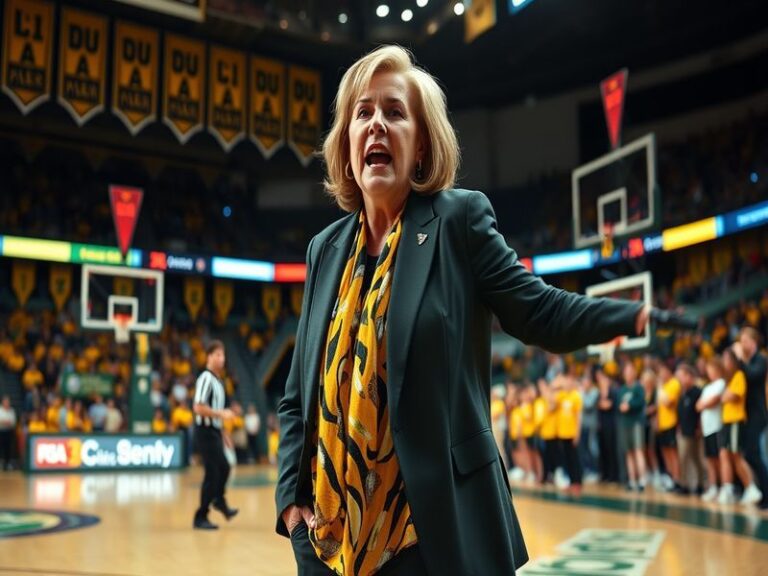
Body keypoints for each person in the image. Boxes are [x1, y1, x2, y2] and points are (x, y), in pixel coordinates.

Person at [276, 45, 649, 576]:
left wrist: (629, 316)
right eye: (363, 112)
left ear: (422, 146)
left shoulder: (458, 221)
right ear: (346, 142)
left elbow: (539, 311)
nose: (376, 124)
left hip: (432, 538)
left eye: (395, 112)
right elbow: (297, 399)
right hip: (329, 547)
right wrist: (291, 509)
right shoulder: (324, 249)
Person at [192, 340, 238, 530]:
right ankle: (201, 516)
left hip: (214, 432)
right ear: (209, 357)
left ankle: (219, 500)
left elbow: (217, 413)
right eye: (218, 355)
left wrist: (224, 434)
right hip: (204, 431)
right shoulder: (206, 378)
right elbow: (198, 407)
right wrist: (221, 414)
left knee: (224, 468)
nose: (222, 358)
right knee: (212, 473)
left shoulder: (219, 381)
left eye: (223, 355)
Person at [719, 348, 762, 505]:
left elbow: (730, 396)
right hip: (727, 421)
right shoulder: (729, 379)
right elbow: (724, 397)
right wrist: (725, 396)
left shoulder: (739, 375)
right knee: (725, 455)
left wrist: (726, 395)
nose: (724, 362)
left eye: (726, 359)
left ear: (732, 361)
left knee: (736, 455)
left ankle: (752, 488)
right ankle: (728, 488)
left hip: (736, 420)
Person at [732, 327, 768, 509]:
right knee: (749, 454)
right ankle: (762, 492)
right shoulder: (748, 362)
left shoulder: (761, 359)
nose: (742, 344)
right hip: (747, 415)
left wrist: (739, 358)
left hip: (758, 415)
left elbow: (753, 376)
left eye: (745, 341)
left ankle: (766, 493)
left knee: (755, 454)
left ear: (753, 342)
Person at [696, 358, 726, 502]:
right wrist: (704, 404)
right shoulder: (707, 387)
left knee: (719, 459)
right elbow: (698, 405)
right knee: (709, 460)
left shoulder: (721, 383)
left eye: (711, 368)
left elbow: (714, 401)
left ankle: (723, 487)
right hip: (707, 429)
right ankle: (713, 487)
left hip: (717, 427)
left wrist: (704, 404)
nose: (709, 372)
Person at [676, 364, 706, 494]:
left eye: (682, 376)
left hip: (695, 431)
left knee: (697, 458)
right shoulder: (683, 393)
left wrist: (699, 427)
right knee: (683, 458)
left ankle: (701, 484)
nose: (680, 380)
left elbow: (700, 412)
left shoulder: (698, 392)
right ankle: (685, 484)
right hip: (684, 430)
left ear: (689, 376)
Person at [618, 362, 647, 491]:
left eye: (630, 371)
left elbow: (641, 402)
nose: (628, 374)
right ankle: (632, 480)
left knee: (638, 450)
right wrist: (622, 407)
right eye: (626, 372)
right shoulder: (622, 390)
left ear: (634, 373)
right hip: (625, 423)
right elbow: (619, 404)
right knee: (628, 452)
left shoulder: (638, 388)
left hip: (636, 423)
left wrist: (629, 405)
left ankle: (642, 480)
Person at [656, 362, 682, 492]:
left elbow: (668, 403)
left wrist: (660, 388)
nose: (660, 374)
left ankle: (677, 480)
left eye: (662, 371)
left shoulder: (674, 383)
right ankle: (670, 479)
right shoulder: (664, 386)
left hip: (672, 423)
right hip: (662, 425)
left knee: (673, 453)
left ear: (668, 371)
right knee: (665, 452)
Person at [0, 396, 17, 470]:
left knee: (8, 448)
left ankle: (7, 463)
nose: (7, 403)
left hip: (9, 432)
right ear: (2, 402)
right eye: (5, 401)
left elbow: (13, 422)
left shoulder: (11, 410)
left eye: (8, 401)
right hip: (1, 431)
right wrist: (5, 422)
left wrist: (4, 422)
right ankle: (1, 463)